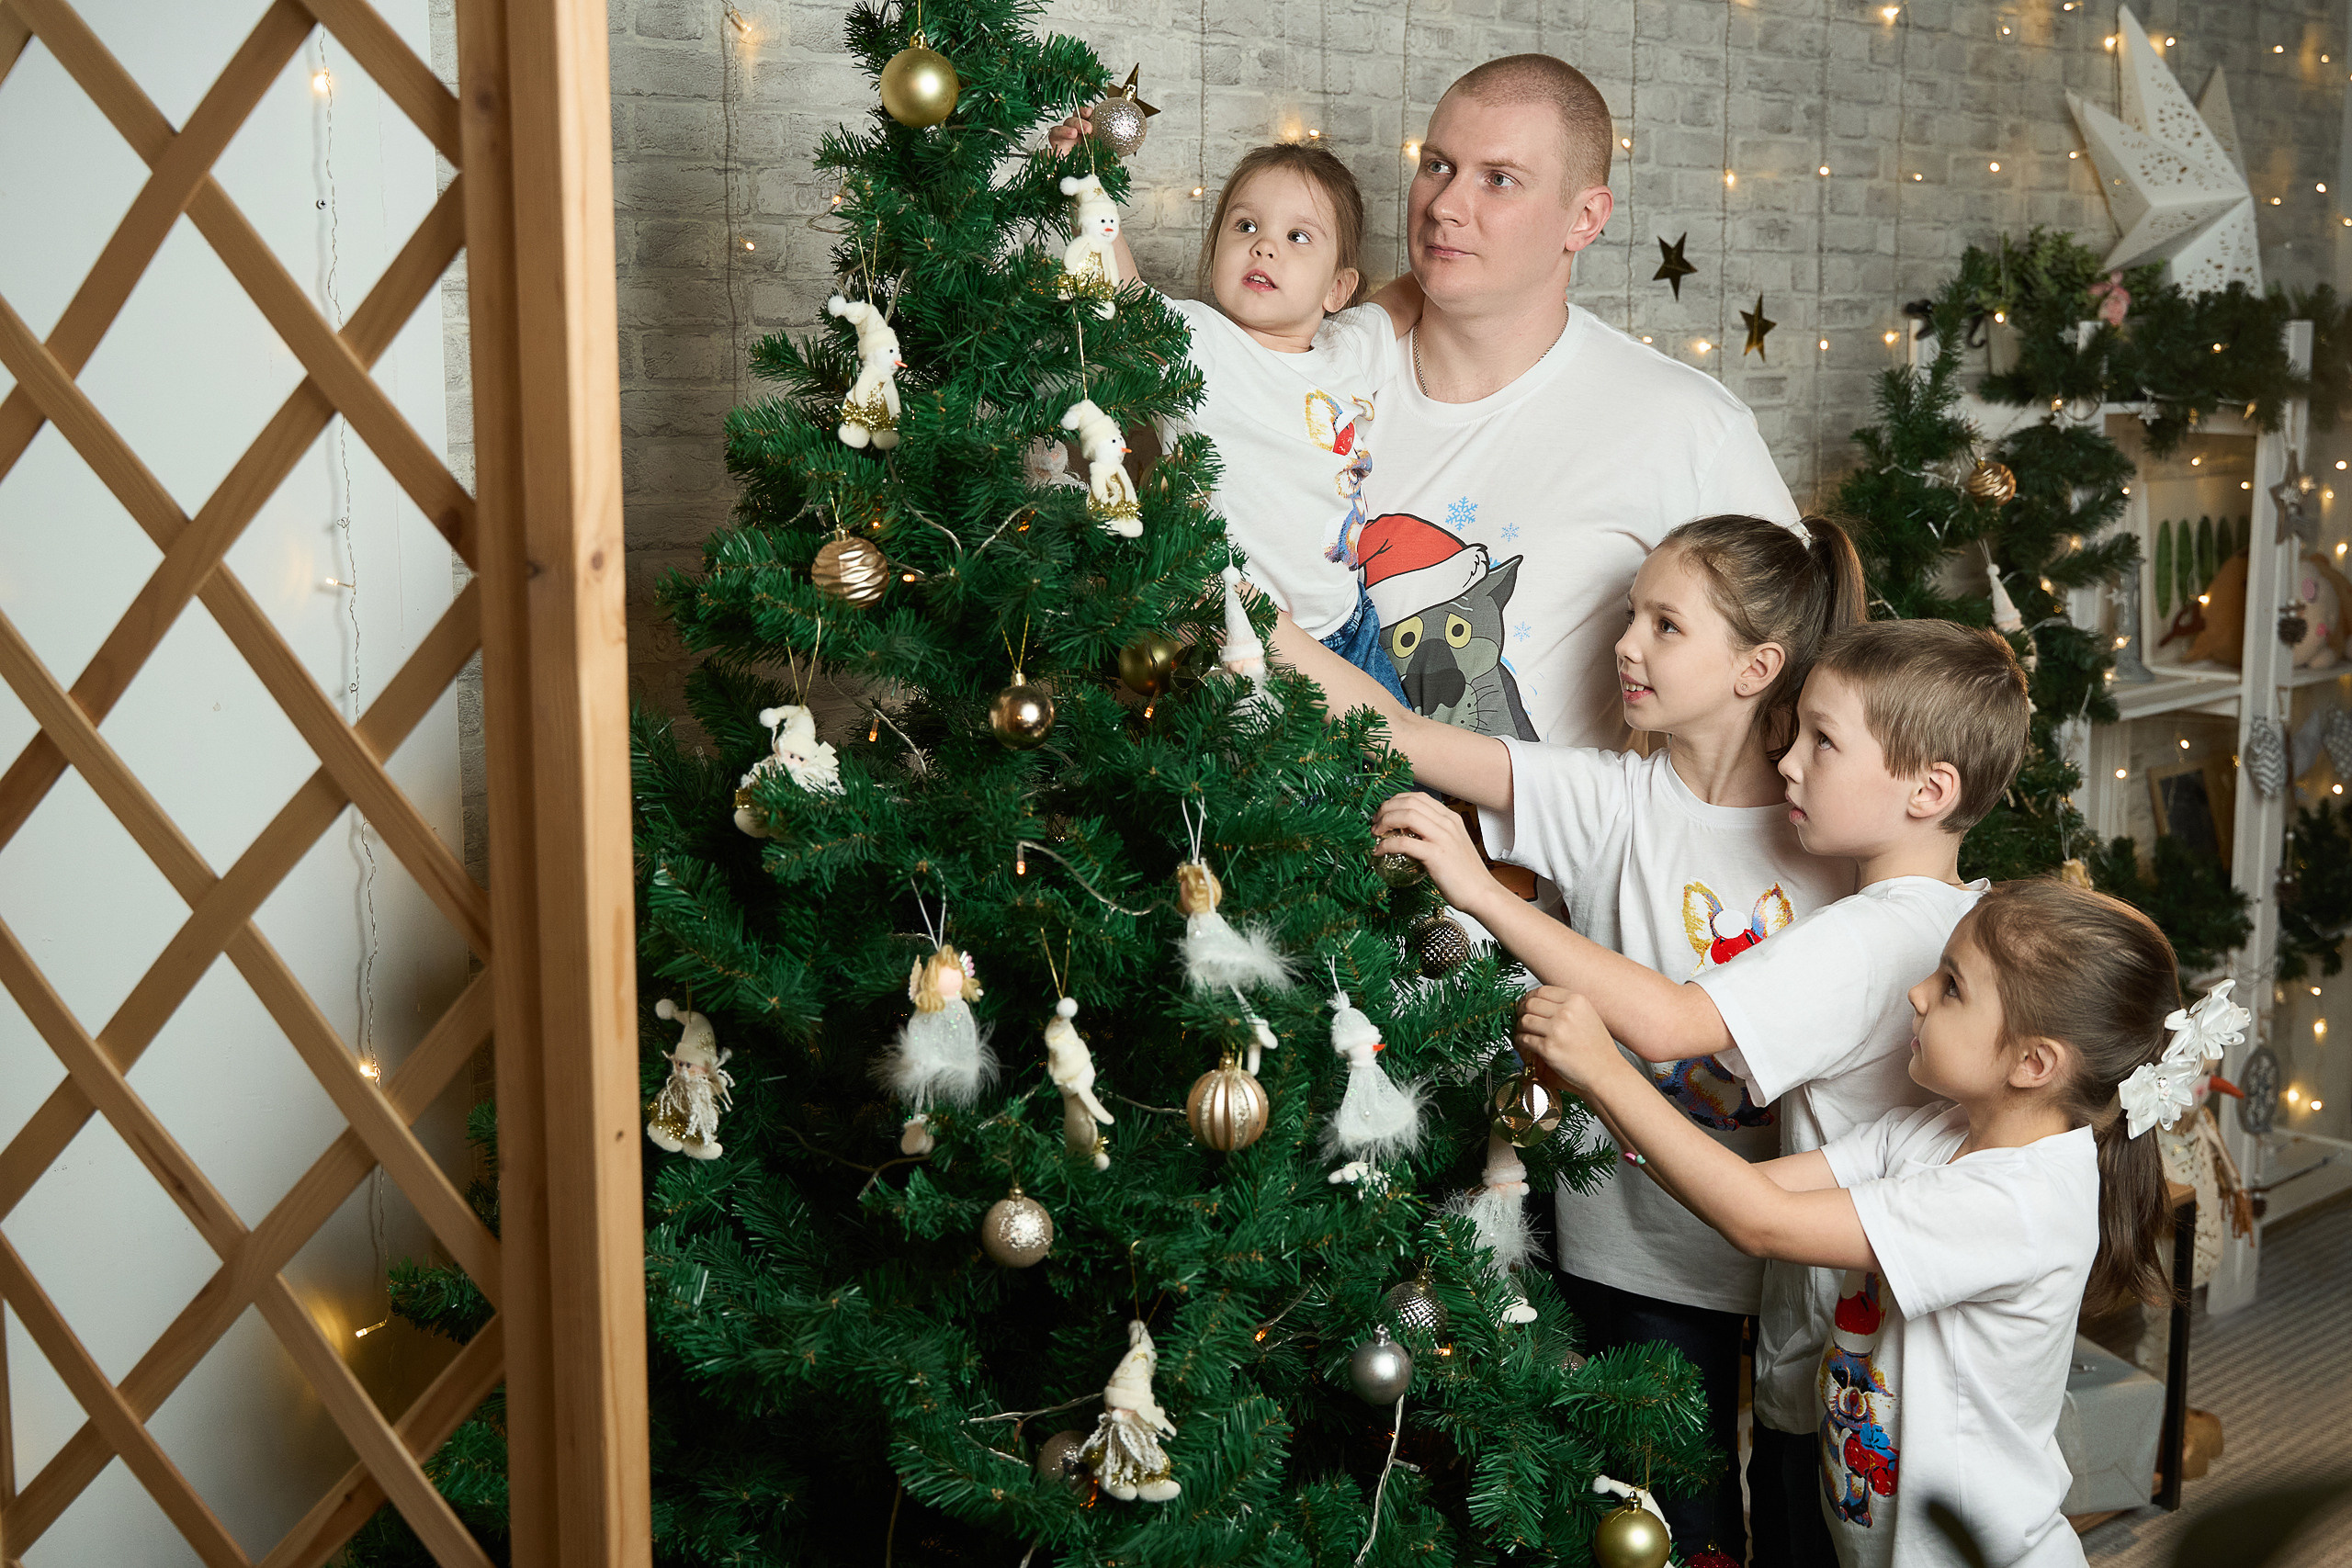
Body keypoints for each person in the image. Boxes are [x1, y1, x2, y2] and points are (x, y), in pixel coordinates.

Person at [1371, 618, 2031, 1568]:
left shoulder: (1875, 937)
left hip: (1843, 1390)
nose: (1789, 762)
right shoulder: (1948, 914)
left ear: (1928, 792)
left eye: (1822, 742)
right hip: (1829, 1369)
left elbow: (1671, 1025)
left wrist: (1481, 893)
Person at [1279, 513, 1864, 1560]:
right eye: (1629, 614)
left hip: (1796, 1269)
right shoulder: (1605, 798)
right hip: (1633, 1258)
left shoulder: (1831, 840)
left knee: (1800, 1526)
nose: (1624, 645)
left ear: (1754, 667)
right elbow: (1401, 736)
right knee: (1665, 1532)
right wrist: (1250, 622)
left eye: (1664, 625)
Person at [1512, 878, 2199, 1568]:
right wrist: (1601, 1092)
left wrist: (1609, 1073)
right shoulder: (1938, 1131)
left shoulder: (2018, 1201)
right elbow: (1742, 1192)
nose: (1918, 992)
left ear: (2032, 1062)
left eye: (1952, 986)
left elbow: (1761, 1221)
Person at [1358, 54, 1796, 750]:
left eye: (1498, 180)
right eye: (1437, 165)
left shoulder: (1686, 425)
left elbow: (1793, 688)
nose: (1444, 205)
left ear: (1584, 219)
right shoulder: (1322, 377)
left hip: (1514, 857)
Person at [1044, 119, 1421, 702]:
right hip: (1242, 638)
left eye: (1299, 236)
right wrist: (1085, 182)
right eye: (1245, 226)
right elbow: (1120, 287)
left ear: (1337, 289)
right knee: (1266, 784)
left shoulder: (1351, 345)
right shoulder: (1198, 341)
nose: (1264, 244)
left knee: (1398, 774)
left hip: (1349, 627)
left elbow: (1411, 294)